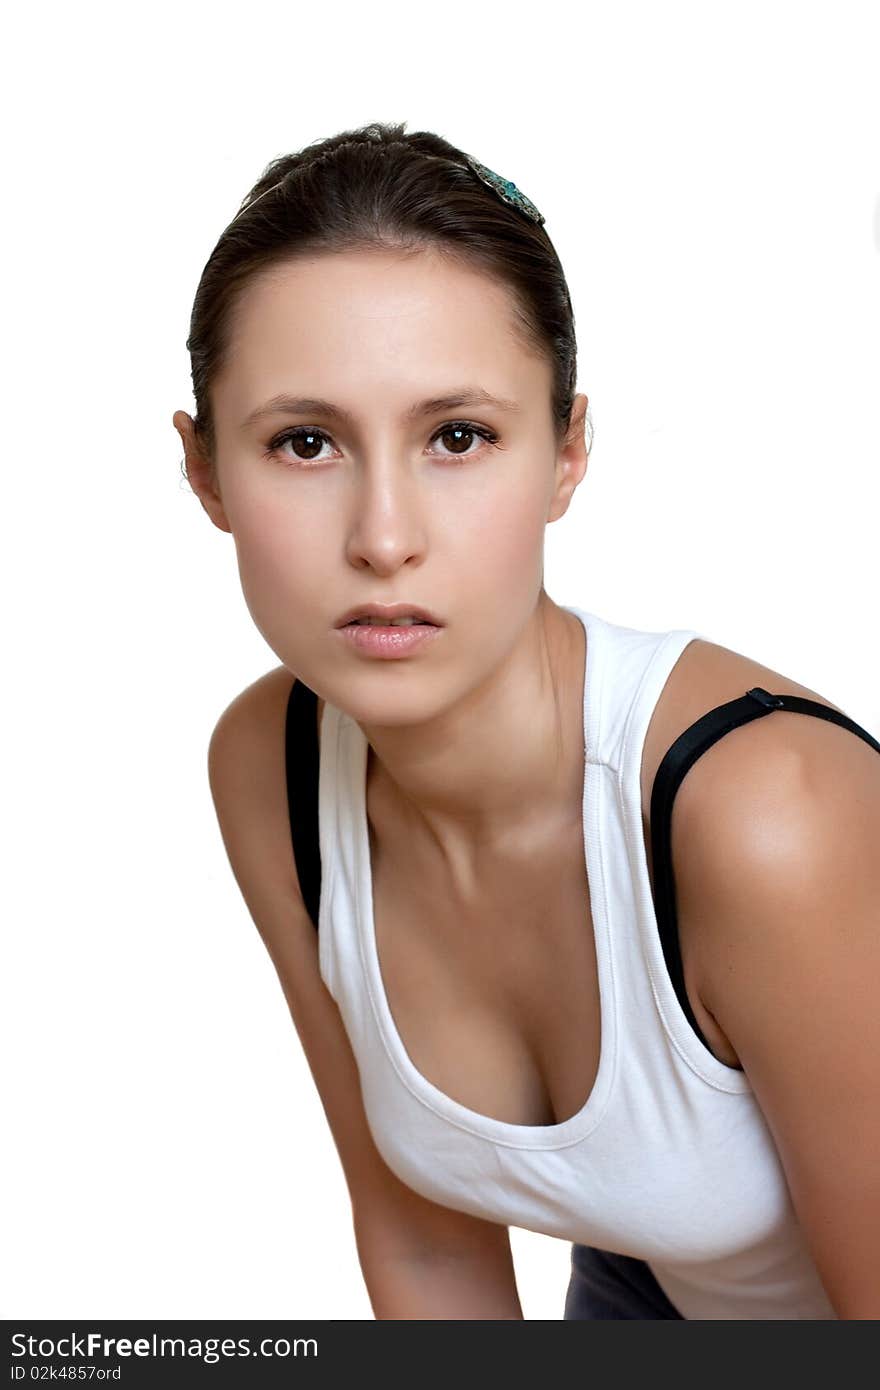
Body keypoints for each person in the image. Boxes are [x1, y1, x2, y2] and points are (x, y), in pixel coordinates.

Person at [173, 121, 880, 1319]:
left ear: (566, 453)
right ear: (204, 475)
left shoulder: (764, 813)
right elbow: (429, 1252)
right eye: (305, 442)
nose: (383, 537)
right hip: (658, 1287)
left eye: (459, 436)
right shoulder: (273, 765)